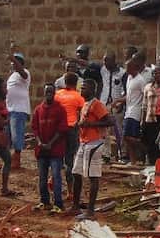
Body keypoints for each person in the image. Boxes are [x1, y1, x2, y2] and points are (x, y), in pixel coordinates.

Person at [72, 78, 113, 220]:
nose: (82, 90)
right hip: (84, 142)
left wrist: (90, 125)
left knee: (93, 176)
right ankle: (75, 206)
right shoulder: (85, 104)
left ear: (92, 90)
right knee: (76, 173)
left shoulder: (96, 105)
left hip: (94, 143)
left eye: (85, 88)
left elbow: (110, 121)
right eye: (81, 88)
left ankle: (90, 211)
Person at [32, 83, 68, 212]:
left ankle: (58, 203)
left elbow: (62, 129)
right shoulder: (38, 109)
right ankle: (44, 201)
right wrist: (40, 142)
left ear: (54, 93)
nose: (49, 94)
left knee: (56, 176)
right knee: (42, 177)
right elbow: (35, 128)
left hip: (56, 150)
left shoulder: (60, 109)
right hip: (42, 150)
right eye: (47, 92)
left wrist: (51, 143)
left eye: (51, 92)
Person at [54, 67, 85, 198]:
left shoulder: (58, 95)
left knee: (57, 158)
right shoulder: (78, 97)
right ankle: (70, 191)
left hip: (58, 130)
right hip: (71, 129)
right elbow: (83, 112)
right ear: (76, 82)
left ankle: (53, 182)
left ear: (65, 82)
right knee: (70, 160)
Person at [5, 52, 31, 169]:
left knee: (17, 135)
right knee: (8, 136)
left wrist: (13, 59)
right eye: (12, 62)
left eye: (15, 62)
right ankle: (9, 160)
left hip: (19, 109)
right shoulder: (12, 75)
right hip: (10, 110)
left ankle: (17, 160)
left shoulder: (25, 73)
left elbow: (23, 74)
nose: (12, 64)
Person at [122, 52, 147, 164]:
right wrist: (118, 101)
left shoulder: (140, 80)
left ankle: (146, 150)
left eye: (127, 67)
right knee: (127, 139)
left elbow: (145, 96)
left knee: (128, 137)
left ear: (133, 67)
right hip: (128, 110)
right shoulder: (129, 78)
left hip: (136, 112)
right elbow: (129, 95)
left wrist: (143, 114)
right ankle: (133, 162)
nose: (125, 69)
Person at [142, 59, 160, 163]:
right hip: (150, 117)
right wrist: (142, 120)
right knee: (149, 141)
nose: (157, 75)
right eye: (155, 73)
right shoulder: (148, 87)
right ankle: (151, 161)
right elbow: (144, 106)